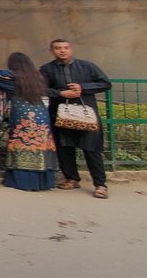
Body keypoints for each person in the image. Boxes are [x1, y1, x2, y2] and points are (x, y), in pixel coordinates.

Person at [39, 38, 113, 199]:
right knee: (65, 148)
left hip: (86, 115)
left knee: (91, 149)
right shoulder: (47, 69)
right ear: (52, 51)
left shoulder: (87, 66)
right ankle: (72, 178)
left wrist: (83, 87)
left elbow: (106, 83)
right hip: (60, 115)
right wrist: (60, 93)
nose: (62, 51)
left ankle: (100, 184)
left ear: (71, 49)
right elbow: (40, 88)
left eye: (65, 48)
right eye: (58, 48)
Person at [0, 52, 58, 191]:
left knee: (22, 142)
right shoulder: (37, 77)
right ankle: (43, 182)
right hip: (41, 113)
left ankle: (24, 181)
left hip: (21, 113)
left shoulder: (11, 77)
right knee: (40, 143)